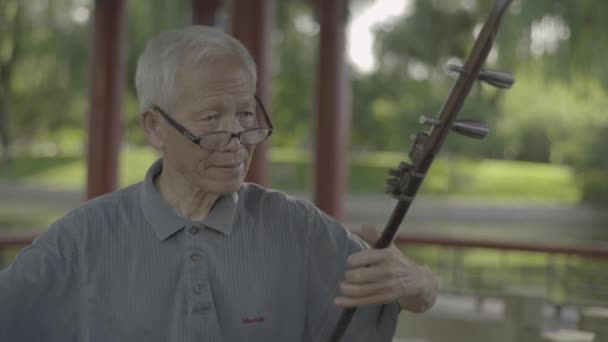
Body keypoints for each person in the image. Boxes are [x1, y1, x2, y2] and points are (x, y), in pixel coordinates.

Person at [0, 25, 438, 342]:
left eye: (246, 115)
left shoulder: (298, 228)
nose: (237, 141)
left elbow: (416, 295)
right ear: (154, 127)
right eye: (211, 119)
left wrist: (414, 280)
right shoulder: (82, 240)